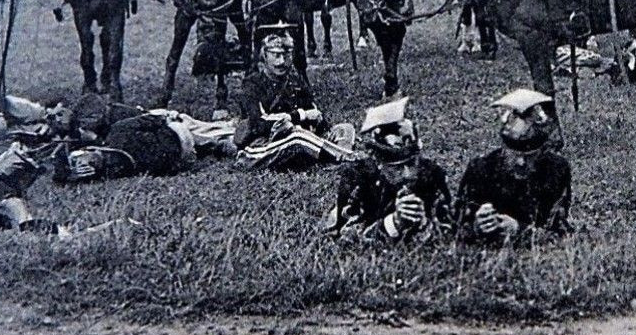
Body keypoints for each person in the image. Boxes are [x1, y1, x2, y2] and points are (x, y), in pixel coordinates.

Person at [456, 89, 572, 244]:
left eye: (529, 156)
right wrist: (477, 226)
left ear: (541, 151)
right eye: (514, 155)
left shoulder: (556, 170)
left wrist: (519, 229)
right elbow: (454, 225)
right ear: (503, 148)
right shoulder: (481, 169)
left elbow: (559, 233)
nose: (521, 162)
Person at [328, 98, 453, 242]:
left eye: (412, 163)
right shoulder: (361, 177)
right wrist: (393, 223)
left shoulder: (431, 174)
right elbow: (346, 235)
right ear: (379, 163)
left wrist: (424, 224)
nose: (407, 173)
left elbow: (450, 228)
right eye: (397, 167)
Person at [235, 24, 355, 167]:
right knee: (298, 138)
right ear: (265, 56)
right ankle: (345, 157)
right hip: (262, 146)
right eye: (276, 55)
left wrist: (319, 122)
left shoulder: (295, 80)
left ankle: (330, 155)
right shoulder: (252, 84)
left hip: (301, 137)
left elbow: (313, 111)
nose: (281, 62)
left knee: (346, 128)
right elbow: (258, 125)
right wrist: (300, 116)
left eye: (286, 56)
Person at [58, 108, 236, 181]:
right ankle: (216, 144)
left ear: (88, 148)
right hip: (180, 158)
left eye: (78, 159)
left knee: (199, 133)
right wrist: (74, 175)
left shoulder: (118, 132)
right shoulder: (111, 170)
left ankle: (220, 141)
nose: (81, 164)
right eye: (77, 165)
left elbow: (151, 121)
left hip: (176, 133)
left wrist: (168, 120)